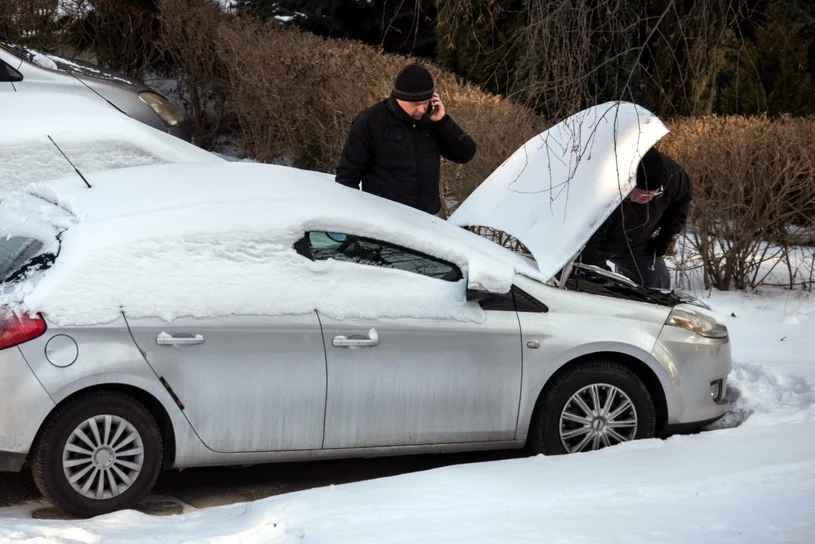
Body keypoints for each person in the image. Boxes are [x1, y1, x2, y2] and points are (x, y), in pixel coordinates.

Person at [335, 64, 476, 215]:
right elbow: (348, 175)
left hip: (427, 217)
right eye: (416, 104)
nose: (421, 109)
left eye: (426, 102)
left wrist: (443, 122)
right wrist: (355, 216)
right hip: (385, 216)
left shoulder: (432, 120)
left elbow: (465, 154)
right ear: (399, 98)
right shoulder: (370, 121)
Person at [580, 148, 693, 289]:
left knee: (658, 282)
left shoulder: (673, 176)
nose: (649, 199)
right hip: (595, 245)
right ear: (627, 186)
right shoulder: (603, 195)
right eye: (643, 195)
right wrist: (606, 282)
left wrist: (665, 237)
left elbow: (682, 201)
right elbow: (588, 246)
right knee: (597, 288)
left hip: (637, 242)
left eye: (656, 193)